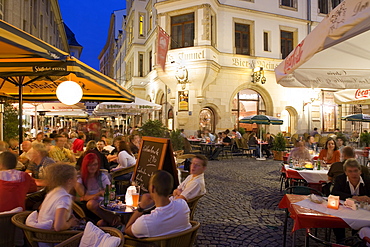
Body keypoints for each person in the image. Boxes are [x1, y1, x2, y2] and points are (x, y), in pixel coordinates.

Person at [125, 170, 191, 238]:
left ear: (152, 188)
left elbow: (127, 230)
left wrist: (141, 208)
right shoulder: (183, 205)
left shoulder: (146, 222)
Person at [74, 153, 119, 226]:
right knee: (91, 203)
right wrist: (99, 193)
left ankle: (115, 224)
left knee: (102, 223)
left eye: (95, 164)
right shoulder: (80, 178)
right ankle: (117, 223)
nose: (93, 167)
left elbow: (109, 191)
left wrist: (105, 194)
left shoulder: (101, 176)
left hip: (103, 205)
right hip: (87, 209)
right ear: (85, 166)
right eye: (90, 165)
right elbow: (84, 197)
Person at [331, 158, 370, 243]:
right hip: (344, 209)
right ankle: (340, 241)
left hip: (362, 210)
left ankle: (356, 241)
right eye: (350, 171)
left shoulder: (368, 180)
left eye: (356, 171)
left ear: (360, 171)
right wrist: (353, 197)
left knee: (363, 223)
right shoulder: (340, 179)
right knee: (337, 219)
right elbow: (334, 193)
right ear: (345, 172)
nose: (353, 174)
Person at [35, 163, 79, 232]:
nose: (77, 179)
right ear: (70, 180)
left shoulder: (54, 191)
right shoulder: (64, 198)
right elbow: (58, 226)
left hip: (41, 233)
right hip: (53, 238)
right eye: (76, 176)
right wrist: (70, 223)